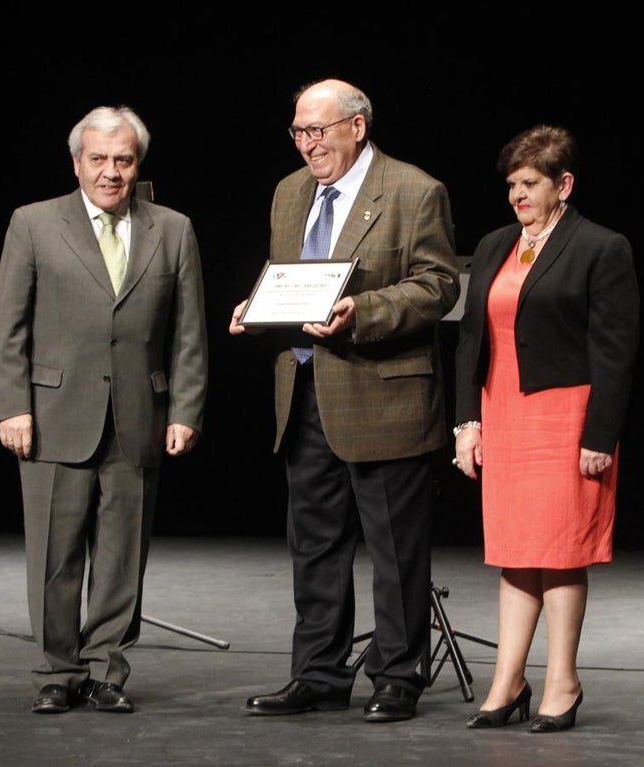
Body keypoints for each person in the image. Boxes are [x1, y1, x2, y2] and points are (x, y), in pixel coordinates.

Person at [229, 78, 461, 723]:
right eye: (298, 132)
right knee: (315, 548)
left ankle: (398, 677)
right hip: (305, 392)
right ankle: (318, 675)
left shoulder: (414, 190)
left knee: (395, 550)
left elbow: (439, 286)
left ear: (357, 127)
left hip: (383, 396)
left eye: (318, 131)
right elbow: (291, 276)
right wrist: (258, 308)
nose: (307, 145)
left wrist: (364, 309)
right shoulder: (290, 191)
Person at [0, 105, 208, 715]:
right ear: (77, 163)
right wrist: (12, 407)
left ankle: (107, 670)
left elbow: (189, 332)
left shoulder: (173, 229)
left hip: (139, 414)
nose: (111, 171)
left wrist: (185, 409)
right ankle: (57, 671)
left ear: (139, 164)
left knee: (121, 557)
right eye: (99, 159)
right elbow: (8, 326)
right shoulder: (33, 223)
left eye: (124, 159)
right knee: (54, 556)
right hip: (53, 415)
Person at [451, 124, 639, 733]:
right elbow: (470, 340)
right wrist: (467, 422)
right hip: (503, 413)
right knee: (514, 551)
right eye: (512, 184)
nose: (518, 196)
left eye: (530, 183)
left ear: (564, 184)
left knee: (559, 553)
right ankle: (507, 682)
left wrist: (600, 435)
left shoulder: (600, 247)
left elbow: (615, 352)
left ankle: (563, 681)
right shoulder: (494, 245)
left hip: (565, 417)